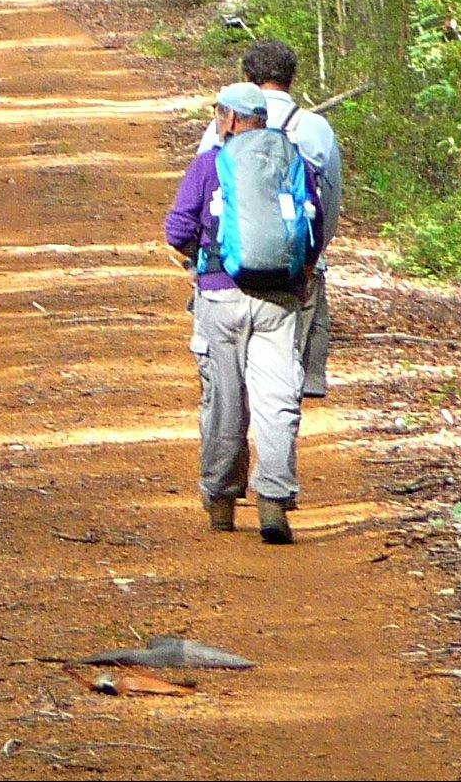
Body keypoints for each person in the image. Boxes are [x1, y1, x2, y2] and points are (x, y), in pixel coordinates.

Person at [165, 80, 326, 543]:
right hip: (281, 298)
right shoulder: (294, 163)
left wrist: (199, 260)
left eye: (219, 114)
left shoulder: (208, 165)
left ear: (231, 120)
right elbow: (313, 226)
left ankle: (221, 499)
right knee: (277, 398)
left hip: (220, 295)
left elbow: (177, 229)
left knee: (226, 399)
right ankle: (274, 501)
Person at [193, 38, 342, 398]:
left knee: (228, 384)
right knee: (285, 384)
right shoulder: (316, 128)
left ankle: (233, 443)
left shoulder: (224, 124)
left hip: (227, 273)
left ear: (247, 77)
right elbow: (331, 203)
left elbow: (203, 194)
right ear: (291, 79)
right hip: (295, 273)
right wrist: (312, 259)